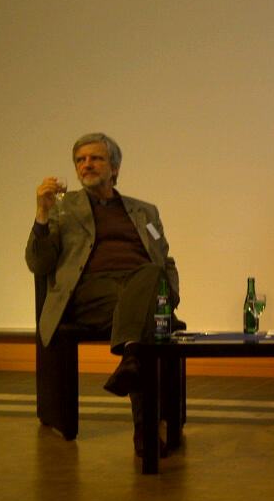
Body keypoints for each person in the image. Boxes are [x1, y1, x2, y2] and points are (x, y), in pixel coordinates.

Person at [26, 133, 179, 457]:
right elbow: (39, 263)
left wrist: (171, 294)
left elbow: (164, 259)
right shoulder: (62, 209)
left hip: (142, 287)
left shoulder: (145, 212)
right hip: (91, 294)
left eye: (95, 158)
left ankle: (132, 357)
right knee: (152, 318)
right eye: (80, 160)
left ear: (115, 168)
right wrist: (41, 214)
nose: (87, 165)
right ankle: (148, 429)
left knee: (152, 276)